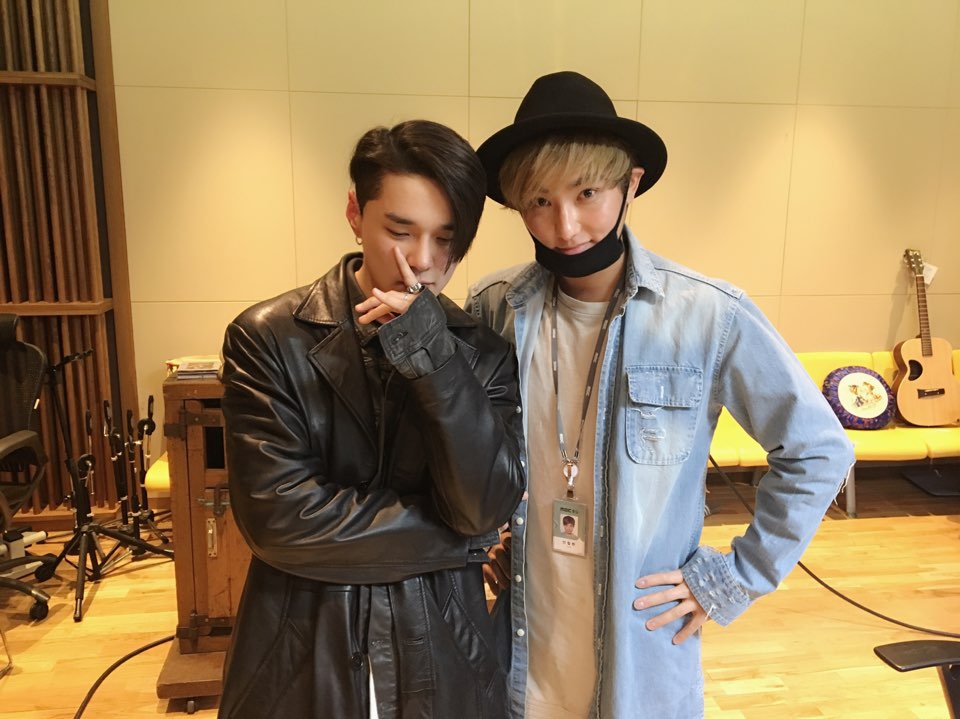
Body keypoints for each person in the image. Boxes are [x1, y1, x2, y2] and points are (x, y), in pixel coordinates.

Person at [466, 71, 855, 718]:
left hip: (643, 655)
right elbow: (466, 444)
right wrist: (481, 537)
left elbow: (818, 450)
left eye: (587, 192)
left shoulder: (707, 315)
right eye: (539, 200)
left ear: (631, 184)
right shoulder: (495, 307)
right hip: (521, 649)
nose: (566, 225)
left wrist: (733, 578)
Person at [219, 119, 525, 719]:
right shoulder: (269, 337)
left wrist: (436, 360)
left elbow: (483, 506)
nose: (424, 262)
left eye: (446, 239)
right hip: (302, 646)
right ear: (355, 214)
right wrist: (461, 542)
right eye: (400, 232)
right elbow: (281, 520)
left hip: (447, 644)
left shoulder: (480, 352)